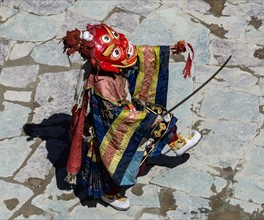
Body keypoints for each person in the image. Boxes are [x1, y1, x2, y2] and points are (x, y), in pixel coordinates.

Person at [62, 23, 201, 211]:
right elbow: (115, 115)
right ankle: (110, 193)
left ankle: (176, 143)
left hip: (127, 111)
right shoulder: (101, 84)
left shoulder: (115, 60)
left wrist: (172, 49)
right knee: (126, 158)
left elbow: (139, 54)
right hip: (112, 129)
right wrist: (143, 119)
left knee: (157, 115)